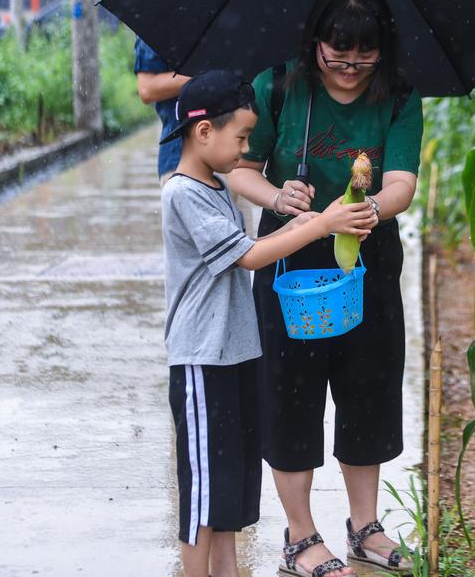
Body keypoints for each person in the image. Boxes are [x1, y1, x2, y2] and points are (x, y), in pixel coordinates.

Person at [227, 0, 423, 577]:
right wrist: (279, 195)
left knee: (368, 387)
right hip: (290, 252)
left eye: (364, 58)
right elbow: (240, 169)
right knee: (291, 393)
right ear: (314, 44)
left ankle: (365, 526)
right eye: (336, 57)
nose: (350, 68)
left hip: (367, 250)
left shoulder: (398, 95)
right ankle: (301, 535)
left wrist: (368, 210)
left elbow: (402, 182)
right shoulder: (279, 86)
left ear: (382, 51)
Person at [160, 69, 374, 577]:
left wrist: (300, 217)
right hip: (202, 359)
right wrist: (321, 224)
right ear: (204, 131)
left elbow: (251, 246)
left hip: (234, 353)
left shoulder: (214, 186)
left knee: (232, 480)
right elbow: (250, 257)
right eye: (241, 138)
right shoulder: (183, 193)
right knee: (205, 487)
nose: (246, 149)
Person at [134, 37, 191, 182]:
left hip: (229, 156)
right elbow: (147, 89)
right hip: (180, 156)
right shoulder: (158, 22)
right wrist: (205, 74)